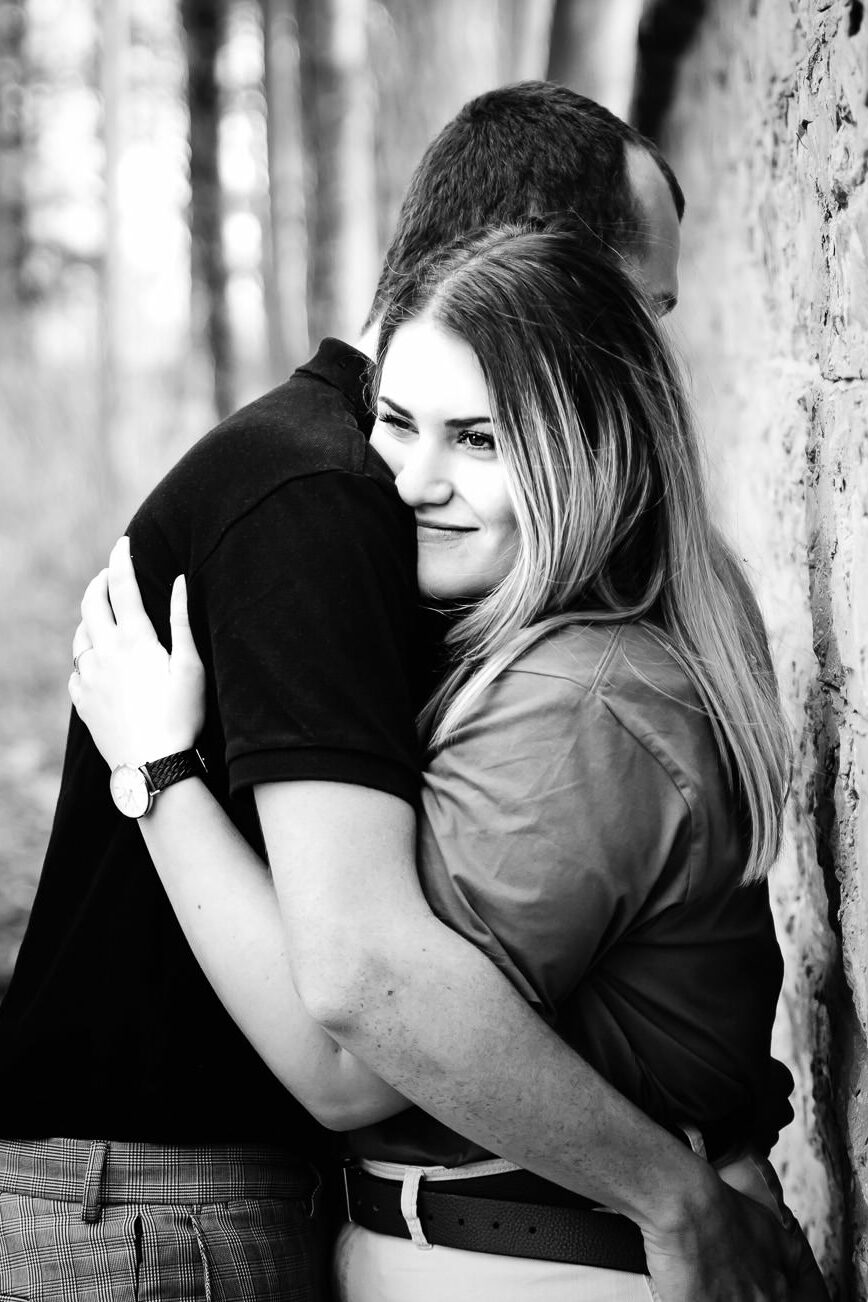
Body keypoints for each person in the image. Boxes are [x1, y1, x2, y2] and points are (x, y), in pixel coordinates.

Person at [0, 80, 804, 1302]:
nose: (648, 354)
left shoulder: (537, 623)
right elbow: (366, 1004)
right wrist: (152, 774)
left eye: (468, 437)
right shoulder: (327, 503)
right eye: (639, 306)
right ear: (534, 280)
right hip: (160, 1205)